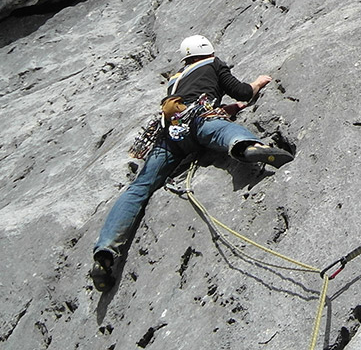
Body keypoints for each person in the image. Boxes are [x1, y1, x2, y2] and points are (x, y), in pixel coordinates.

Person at [90, 34, 294, 291]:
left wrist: (230, 108)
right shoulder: (213, 64)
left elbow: (189, 103)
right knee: (220, 130)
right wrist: (257, 83)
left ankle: (105, 252)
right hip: (200, 120)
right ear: (208, 50)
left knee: (139, 188)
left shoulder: (175, 79)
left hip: (170, 135)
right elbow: (241, 92)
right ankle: (247, 146)